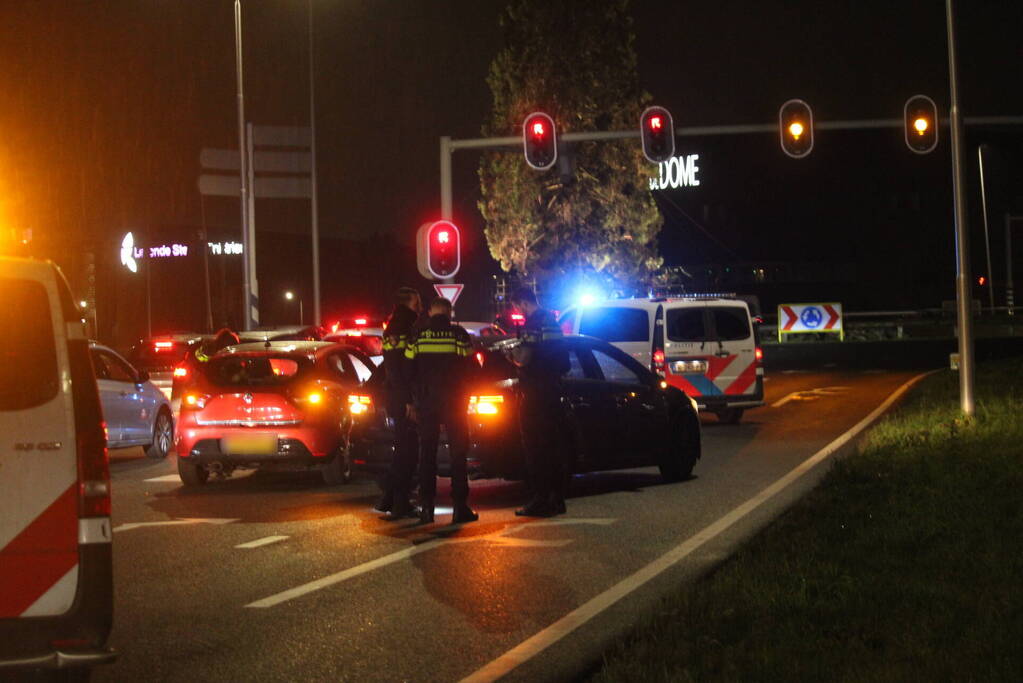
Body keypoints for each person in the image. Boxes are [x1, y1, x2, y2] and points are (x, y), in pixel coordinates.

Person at [402, 297, 478, 524]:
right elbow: (472, 368)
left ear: (431, 312)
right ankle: (459, 508)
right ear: (449, 312)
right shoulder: (459, 335)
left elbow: (407, 371)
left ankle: (427, 509)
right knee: (457, 454)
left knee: (427, 455)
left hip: (426, 403)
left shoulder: (417, 335)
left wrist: (412, 400)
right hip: (455, 402)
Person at [508, 287, 570, 517]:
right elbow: (562, 359)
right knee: (553, 446)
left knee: (535, 447)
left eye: (517, 307)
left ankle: (540, 499)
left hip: (535, 393)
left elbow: (524, 359)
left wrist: (511, 355)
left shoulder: (532, 324)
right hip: (553, 390)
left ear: (523, 303)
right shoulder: (552, 322)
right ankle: (557, 499)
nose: (517, 312)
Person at [376, 287, 422, 518]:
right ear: (408, 303)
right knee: (407, 452)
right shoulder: (400, 328)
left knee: (406, 450)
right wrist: (408, 402)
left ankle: (393, 500)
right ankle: (395, 500)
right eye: (417, 302)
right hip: (402, 399)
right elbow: (397, 370)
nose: (420, 306)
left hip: (400, 397)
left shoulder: (401, 325)